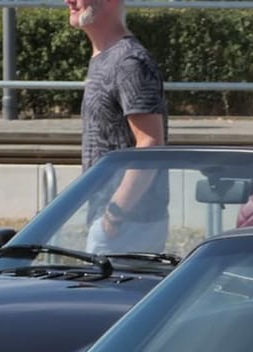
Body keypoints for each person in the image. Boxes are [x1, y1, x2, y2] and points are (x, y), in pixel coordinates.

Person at [66, 0, 170, 255]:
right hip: (117, 222)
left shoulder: (129, 62)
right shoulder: (106, 56)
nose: (69, 0)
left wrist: (113, 217)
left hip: (130, 226)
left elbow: (150, 143)